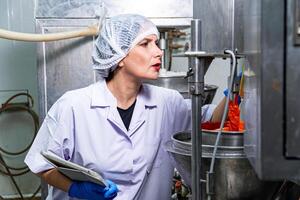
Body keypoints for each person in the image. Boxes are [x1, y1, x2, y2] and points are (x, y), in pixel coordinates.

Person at [24, 14, 225, 200]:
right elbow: (41, 165)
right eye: (145, 44)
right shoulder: (74, 106)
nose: (158, 51)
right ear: (118, 56)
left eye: (156, 43)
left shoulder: (167, 102)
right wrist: (75, 188)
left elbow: (212, 121)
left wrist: (239, 87)